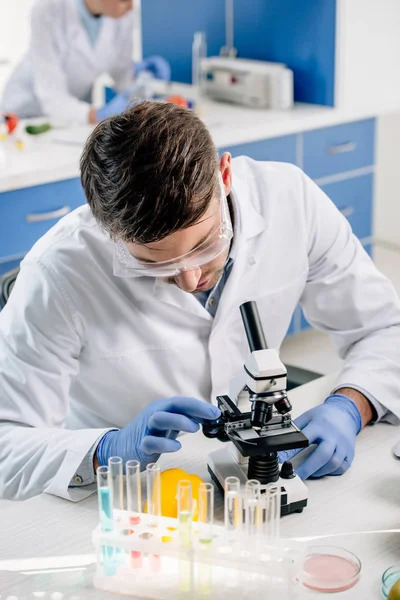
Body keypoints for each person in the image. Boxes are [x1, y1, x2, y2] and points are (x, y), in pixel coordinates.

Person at [1, 101, 400, 502]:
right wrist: (105, 452)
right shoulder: (58, 272)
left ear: (224, 176)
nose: (191, 280)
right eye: (152, 263)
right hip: (121, 498)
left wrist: (352, 405)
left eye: (204, 245)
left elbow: (384, 328)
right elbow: (7, 442)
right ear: (110, 231)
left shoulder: (291, 201)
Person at [0, 0, 170, 125]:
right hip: (26, 112)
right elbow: (51, 97)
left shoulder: (123, 15)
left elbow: (121, 74)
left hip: (73, 114)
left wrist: (142, 79)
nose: (131, 6)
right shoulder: (48, 10)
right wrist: (98, 114)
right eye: (125, 0)